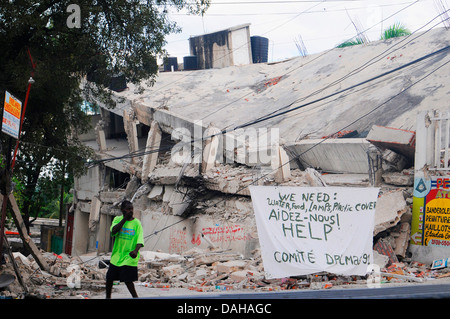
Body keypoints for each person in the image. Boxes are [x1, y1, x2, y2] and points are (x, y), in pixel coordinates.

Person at [106, 200, 144, 298]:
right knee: (109, 278)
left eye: (131, 209)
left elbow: (140, 239)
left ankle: (135, 297)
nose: (130, 211)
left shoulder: (137, 223)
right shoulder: (117, 219)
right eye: (128, 209)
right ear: (122, 210)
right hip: (117, 256)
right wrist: (124, 219)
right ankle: (108, 297)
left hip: (129, 256)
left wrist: (135, 251)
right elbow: (113, 231)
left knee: (128, 281)